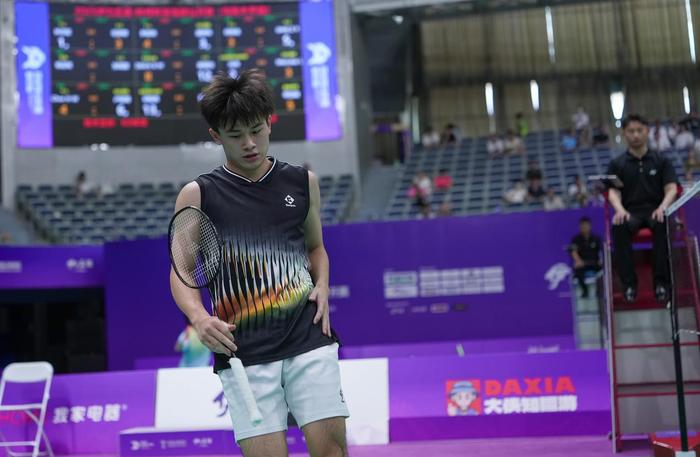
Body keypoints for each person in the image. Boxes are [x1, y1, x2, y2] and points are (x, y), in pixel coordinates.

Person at [170, 70, 349, 456]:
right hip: (242, 350)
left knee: (332, 450)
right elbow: (181, 271)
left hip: (307, 336)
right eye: (236, 135)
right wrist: (199, 318)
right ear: (216, 135)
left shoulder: (302, 182)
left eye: (256, 130)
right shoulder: (198, 195)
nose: (249, 143)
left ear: (269, 123)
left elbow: (316, 248)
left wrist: (322, 284)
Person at [606, 114, 678, 303]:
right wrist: (619, 210)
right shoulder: (617, 164)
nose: (636, 135)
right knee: (619, 226)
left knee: (663, 224)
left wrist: (663, 207)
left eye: (639, 130)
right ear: (624, 133)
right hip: (630, 213)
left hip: (656, 210)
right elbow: (613, 191)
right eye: (631, 131)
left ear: (647, 131)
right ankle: (629, 285)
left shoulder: (661, 160)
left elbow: (671, 188)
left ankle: (661, 284)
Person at [568, 217, 603, 298]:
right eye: (582, 226)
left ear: (590, 226)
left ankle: (599, 291)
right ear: (580, 227)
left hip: (595, 262)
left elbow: (601, 251)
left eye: (586, 225)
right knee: (577, 270)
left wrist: (601, 260)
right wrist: (578, 261)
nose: (584, 227)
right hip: (582, 263)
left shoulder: (596, 238)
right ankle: (585, 291)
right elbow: (573, 251)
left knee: (603, 271)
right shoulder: (576, 239)